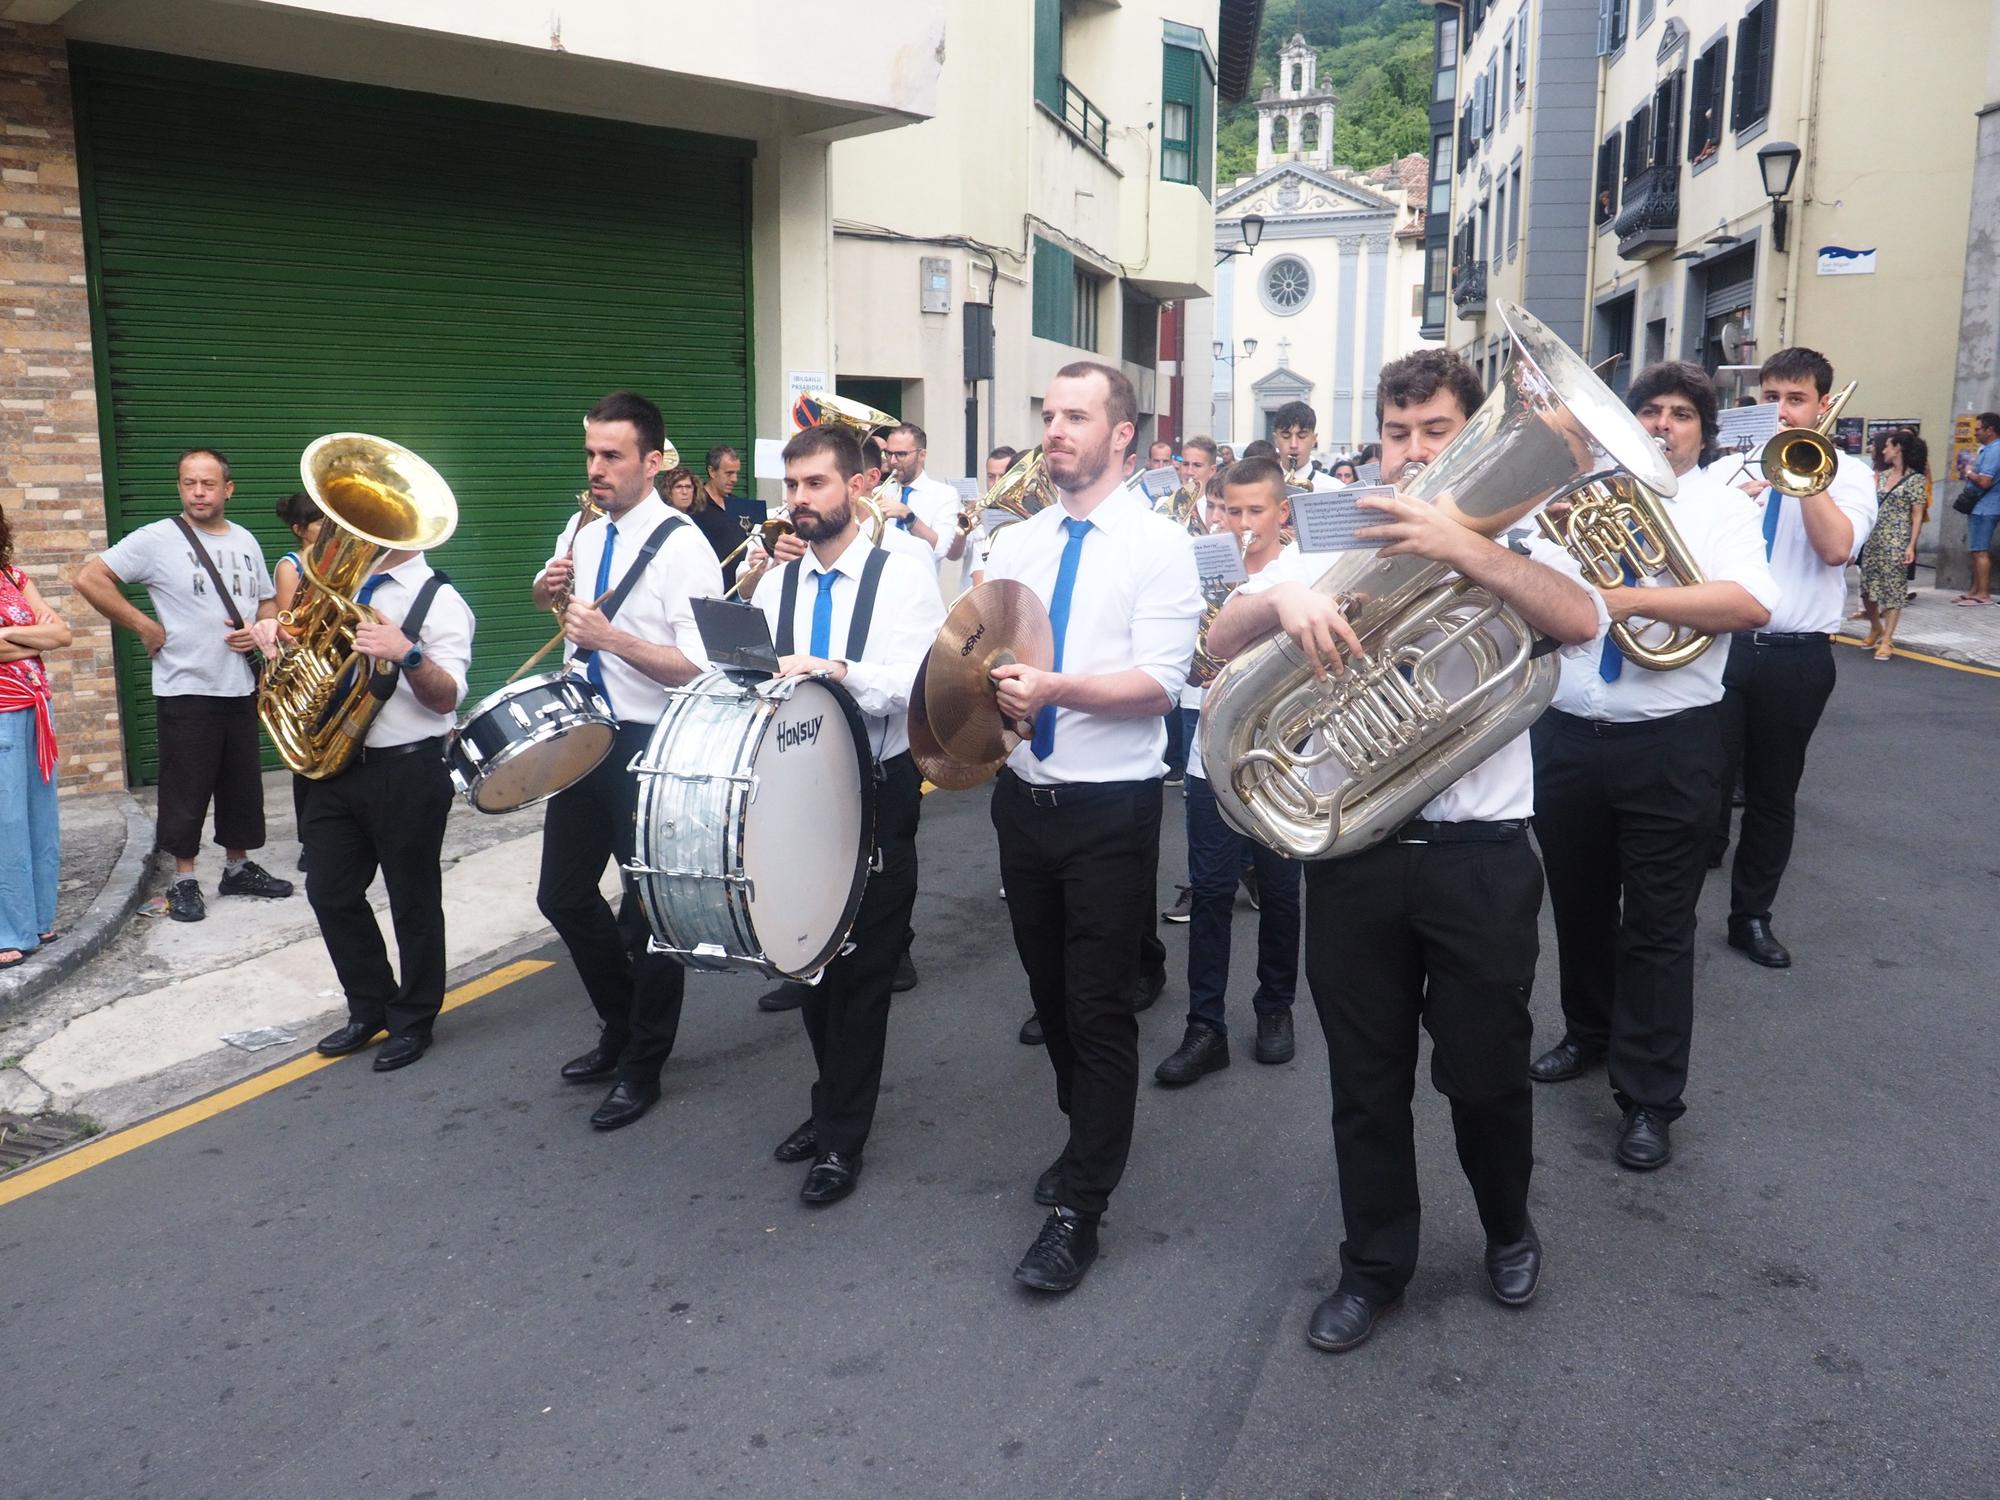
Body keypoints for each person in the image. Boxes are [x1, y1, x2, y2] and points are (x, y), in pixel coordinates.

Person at [1204, 348, 1607, 1354]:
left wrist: (1464, 545)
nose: (1412, 451)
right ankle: (1372, 1265)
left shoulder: (1515, 533)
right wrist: (1278, 601)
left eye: (1435, 431)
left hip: (1479, 859)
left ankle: (1507, 1228)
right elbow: (1219, 641)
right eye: (1397, 434)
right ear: (1375, 440)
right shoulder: (1330, 535)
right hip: (1353, 850)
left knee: (1483, 1071)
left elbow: (1580, 621)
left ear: (1470, 434)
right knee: (1364, 1081)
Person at [1528, 361, 1779, 1172]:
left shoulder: (1718, 507)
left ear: (1703, 430)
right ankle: (1589, 1033)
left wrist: (1628, 601)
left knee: (1661, 928)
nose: (1664, 424)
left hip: (1671, 738)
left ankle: (1649, 1100)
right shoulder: (1576, 500)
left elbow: (1747, 604)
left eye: (1680, 414)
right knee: (1577, 903)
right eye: (1650, 412)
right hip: (1568, 734)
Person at [983, 360, 1202, 1293]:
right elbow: (982, 664)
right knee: (1052, 997)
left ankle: (1084, 1207)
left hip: (1110, 809)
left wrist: (1057, 689)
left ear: (1122, 435)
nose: (1056, 430)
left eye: (1077, 415)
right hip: (1021, 803)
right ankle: (1087, 1140)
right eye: (1048, 414)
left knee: (1100, 1006)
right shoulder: (1016, 544)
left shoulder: (1160, 545)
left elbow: (1162, 682)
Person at [752, 424, 945, 1204]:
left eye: (815, 485)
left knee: (863, 972)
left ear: (858, 487)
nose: (798, 501)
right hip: (796, 792)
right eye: (792, 487)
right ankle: (829, 1102)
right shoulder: (776, 584)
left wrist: (833, 669)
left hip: (877, 789)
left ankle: (841, 1136)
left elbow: (917, 684)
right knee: (810, 958)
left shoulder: (904, 575)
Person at [531, 392, 722, 1131]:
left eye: (612, 456)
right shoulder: (581, 527)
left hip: (649, 748)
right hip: (583, 734)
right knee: (562, 896)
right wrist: (546, 592)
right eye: (590, 454)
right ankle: (621, 1023)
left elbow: (702, 668)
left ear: (653, 460)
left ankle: (642, 1063)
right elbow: (567, 615)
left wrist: (613, 641)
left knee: (650, 918)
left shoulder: (685, 547)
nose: (598, 469)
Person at [1707, 349, 1876, 969]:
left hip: (1796, 655)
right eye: (1772, 397)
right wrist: (1748, 490)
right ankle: (1697, 866)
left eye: (1795, 399)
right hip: (1725, 648)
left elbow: (1835, 550)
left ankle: (1750, 916)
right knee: (1705, 782)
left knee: (1774, 795)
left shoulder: (1850, 474)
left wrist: (1805, 476)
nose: (1781, 411)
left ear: (1823, 405)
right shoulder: (1733, 468)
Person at [74, 448, 294, 921]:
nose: (198, 492)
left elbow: (268, 603)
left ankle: (237, 869)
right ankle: (184, 879)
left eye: (208, 484)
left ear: (227, 490)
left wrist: (261, 627)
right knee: (185, 787)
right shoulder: (157, 539)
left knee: (241, 786)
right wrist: (143, 626)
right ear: (180, 487)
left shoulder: (246, 541)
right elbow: (89, 578)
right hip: (185, 687)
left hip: (239, 684)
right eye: (189, 483)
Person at [1152, 458, 1302, 1087]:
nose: (1239, 523)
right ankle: (1204, 1025)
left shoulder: (1308, 572)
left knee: (1281, 892)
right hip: (1209, 752)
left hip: (1286, 754)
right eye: (1229, 510)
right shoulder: (1196, 567)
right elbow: (1182, 661)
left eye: (1254, 511)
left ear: (1282, 513)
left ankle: (1275, 1009)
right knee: (1211, 892)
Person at [301, 537, 474, 1072]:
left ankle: (414, 1017)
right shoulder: (339, 588)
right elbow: (311, 662)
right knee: (329, 891)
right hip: (336, 764)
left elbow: (446, 697)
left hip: (409, 767)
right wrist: (279, 645)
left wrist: (408, 653)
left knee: (412, 900)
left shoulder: (441, 600)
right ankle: (370, 1004)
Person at [0, 506, 72, 970]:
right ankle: (10, 930)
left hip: (34, 710)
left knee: (38, 820)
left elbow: (63, 633)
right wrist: (33, 636)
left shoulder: (14, 575)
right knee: (4, 826)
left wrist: (8, 634)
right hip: (3, 714)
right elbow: (46, 633)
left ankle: (38, 917)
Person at [272, 490, 324, 871]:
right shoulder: (290, 566)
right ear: (299, 530)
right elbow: (291, 622)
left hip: (338, 663)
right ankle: (311, 839)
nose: (328, 528)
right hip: (307, 667)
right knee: (307, 756)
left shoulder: (340, 561)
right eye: (320, 522)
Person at [1859, 432, 1928, 659]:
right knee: (1867, 589)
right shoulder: (1881, 475)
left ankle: (1888, 638)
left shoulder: (1916, 479)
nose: (1884, 450)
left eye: (1888, 446)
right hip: (1873, 538)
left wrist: (1911, 546)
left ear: (1898, 448)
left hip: (1897, 540)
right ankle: (1875, 627)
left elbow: (1917, 515)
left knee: (1893, 591)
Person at [877, 423, 957, 570]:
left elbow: (940, 549)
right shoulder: (879, 492)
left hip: (918, 585)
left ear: (922, 455)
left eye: (901, 454)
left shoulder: (944, 494)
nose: (892, 461)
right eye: (889, 453)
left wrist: (907, 516)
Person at [661, 462, 744, 586]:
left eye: (688, 487)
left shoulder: (697, 516)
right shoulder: (662, 518)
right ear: (669, 491)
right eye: (679, 487)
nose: (685, 492)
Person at [1959, 413, 2000, 605]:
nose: (1975, 433)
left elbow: (1985, 481)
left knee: (1980, 550)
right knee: (1975, 550)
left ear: (1990, 430)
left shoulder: (1994, 451)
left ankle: (1983, 594)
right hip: (1983, 506)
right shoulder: (1989, 449)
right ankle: (1974, 590)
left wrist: (1969, 472)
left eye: (1978, 429)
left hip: (1986, 507)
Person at [1270, 400, 1343, 491]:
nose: (1293, 445)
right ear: (1276, 439)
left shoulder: (1336, 489)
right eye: (1286, 436)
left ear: (1314, 439)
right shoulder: (1260, 487)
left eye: (1302, 436)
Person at [705, 444, 758, 530]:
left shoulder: (739, 505)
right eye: (729, 473)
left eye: (737, 473)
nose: (735, 479)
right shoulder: (694, 504)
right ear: (712, 472)